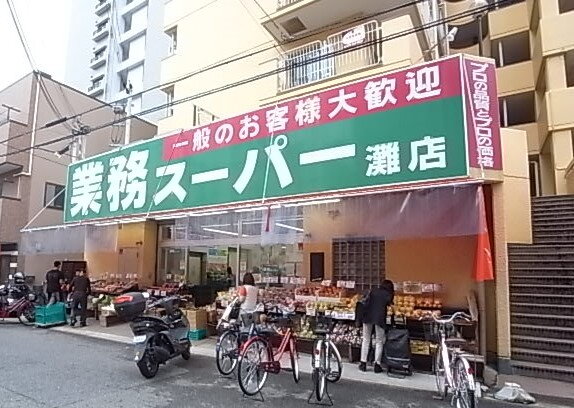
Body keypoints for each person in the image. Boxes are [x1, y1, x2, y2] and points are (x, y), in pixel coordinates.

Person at [358, 280, 394, 373]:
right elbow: (390, 304)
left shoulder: (373, 290)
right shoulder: (387, 294)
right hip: (379, 319)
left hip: (367, 316)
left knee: (366, 339)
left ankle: (363, 363)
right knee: (379, 341)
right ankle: (377, 365)